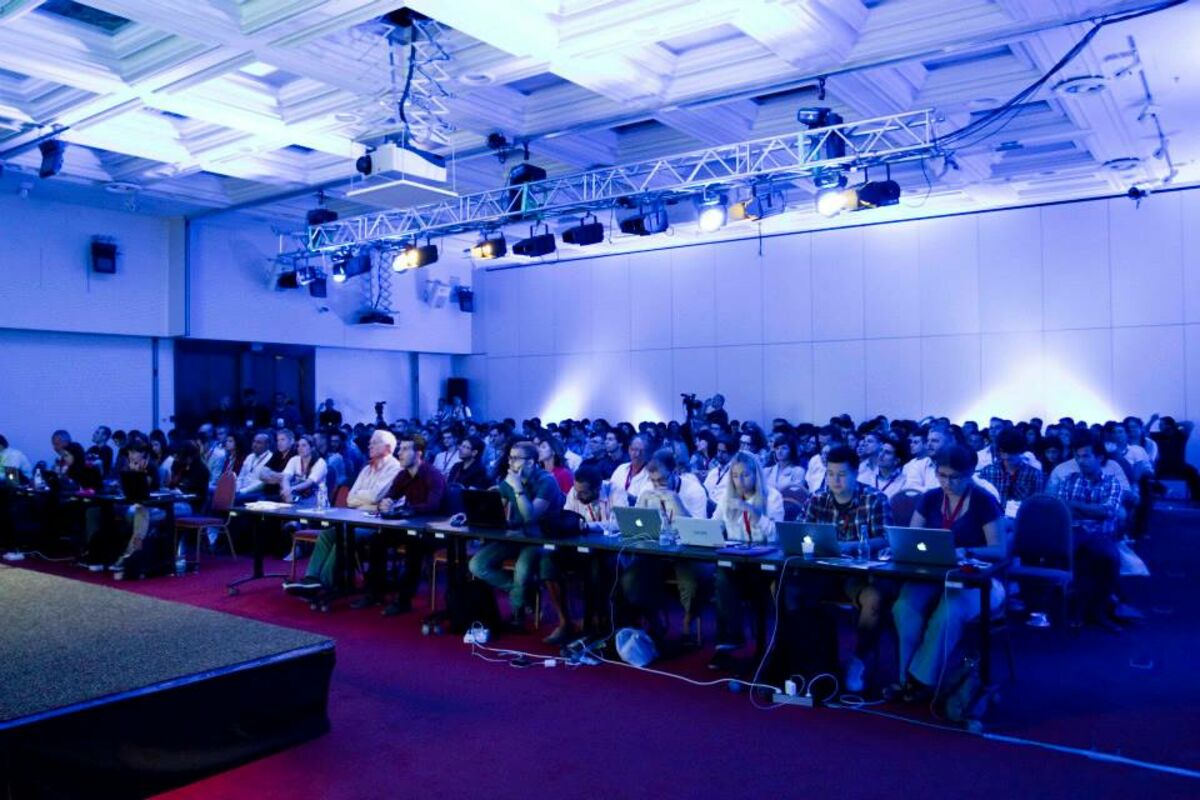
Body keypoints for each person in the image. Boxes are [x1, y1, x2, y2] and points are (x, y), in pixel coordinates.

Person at [888, 444, 1006, 704]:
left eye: (955, 477)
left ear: (970, 473)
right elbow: (912, 538)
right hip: (933, 575)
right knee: (904, 607)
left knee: (949, 611)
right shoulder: (930, 498)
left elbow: (999, 550)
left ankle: (919, 682)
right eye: (942, 475)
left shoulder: (984, 501)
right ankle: (905, 676)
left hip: (977, 581)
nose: (947, 483)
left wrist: (965, 550)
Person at [793, 445, 894, 691]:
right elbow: (797, 531)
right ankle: (801, 658)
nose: (835, 481)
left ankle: (858, 660)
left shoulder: (874, 499)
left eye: (841, 474)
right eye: (830, 474)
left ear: (856, 473)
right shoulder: (817, 498)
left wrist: (851, 546)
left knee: (874, 601)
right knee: (786, 589)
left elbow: (887, 539)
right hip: (821, 571)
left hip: (858, 576)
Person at [468, 442, 568, 640]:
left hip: (542, 539)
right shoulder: (511, 480)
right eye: (510, 457)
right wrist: (485, 512)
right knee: (477, 565)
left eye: (516, 458)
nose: (510, 462)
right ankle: (526, 594)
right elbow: (499, 508)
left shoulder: (547, 481)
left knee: (522, 569)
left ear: (530, 462)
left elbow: (530, 516)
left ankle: (517, 617)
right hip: (515, 535)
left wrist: (518, 488)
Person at [287, 430, 401, 594]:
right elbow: (350, 499)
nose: (369, 445)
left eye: (375, 442)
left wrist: (365, 499)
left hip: (378, 523)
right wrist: (369, 501)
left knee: (344, 535)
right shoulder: (367, 469)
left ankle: (324, 583)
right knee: (327, 535)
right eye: (370, 442)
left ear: (388, 447)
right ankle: (311, 578)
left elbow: (376, 496)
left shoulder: (395, 468)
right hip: (358, 517)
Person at [1056, 433, 1140, 630]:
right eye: (1077, 456)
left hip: (1101, 533)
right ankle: (1082, 610)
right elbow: (1062, 509)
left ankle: (1096, 610)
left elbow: (1108, 512)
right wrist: (1093, 510)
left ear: (1100, 457)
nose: (1080, 461)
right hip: (1074, 531)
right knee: (1075, 555)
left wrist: (1076, 505)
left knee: (1108, 557)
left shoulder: (1112, 482)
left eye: (1086, 456)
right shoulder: (1068, 480)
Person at [708, 452, 784, 671]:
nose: (740, 481)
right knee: (722, 575)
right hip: (736, 563)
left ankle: (749, 644)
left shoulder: (772, 497)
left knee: (730, 578)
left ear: (756, 475)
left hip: (766, 565)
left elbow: (778, 537)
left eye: (745, 475)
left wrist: (756, 514)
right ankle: (728, 641)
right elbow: (713, 525)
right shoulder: (727, 499)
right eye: (735, 476)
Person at [359, 435, 447, 616]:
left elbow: (433, 505)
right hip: (410, 527)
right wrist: (386, 503)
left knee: (414, 546)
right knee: (377, 540)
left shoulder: (433, 475)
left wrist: (407, 509)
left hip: (434, 531)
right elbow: (391, 496)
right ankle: (375, 592)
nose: (399, 453)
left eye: (405, 449)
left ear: (418, 453)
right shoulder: (402, 475)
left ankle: (403, 600)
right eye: (400, 449)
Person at [978, 428, 1045, 504]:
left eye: (1012, 452)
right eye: (1003, 451)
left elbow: (1038, 504)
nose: (1007, 456)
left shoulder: (1035, 475)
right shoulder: (987, 472)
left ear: (1021, 451)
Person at [280, 435, 328, 503]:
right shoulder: (294, 460)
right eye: (298, 446)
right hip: (298, 495)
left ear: (312, 448)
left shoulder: (320, 463)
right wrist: (286, 488)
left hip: (316, 498)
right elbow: (285, 477)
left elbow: (309, 483)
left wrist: (291, 489)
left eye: (304, 445)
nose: (300, 448)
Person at [608, 435, 650, 509]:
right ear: (629, 450)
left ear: (648, 452)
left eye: (642, 451)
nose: (637, 454)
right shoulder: (621, 469)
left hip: (636, 514)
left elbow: (645, 503)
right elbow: (609, 492)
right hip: (614, 512)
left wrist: (624, 496)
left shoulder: (651, 474)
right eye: (634, 449)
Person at [235, 433, 273, 499]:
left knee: (237, 498)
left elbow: (262, 483)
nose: (254, 445)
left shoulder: (271, 458)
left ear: (267, 445)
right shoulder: (250, 457)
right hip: (241, 490)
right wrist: (236, 489)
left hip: (256, 492)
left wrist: (243, 491)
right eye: (254, 441)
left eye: (258, 442)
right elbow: (241, 476)